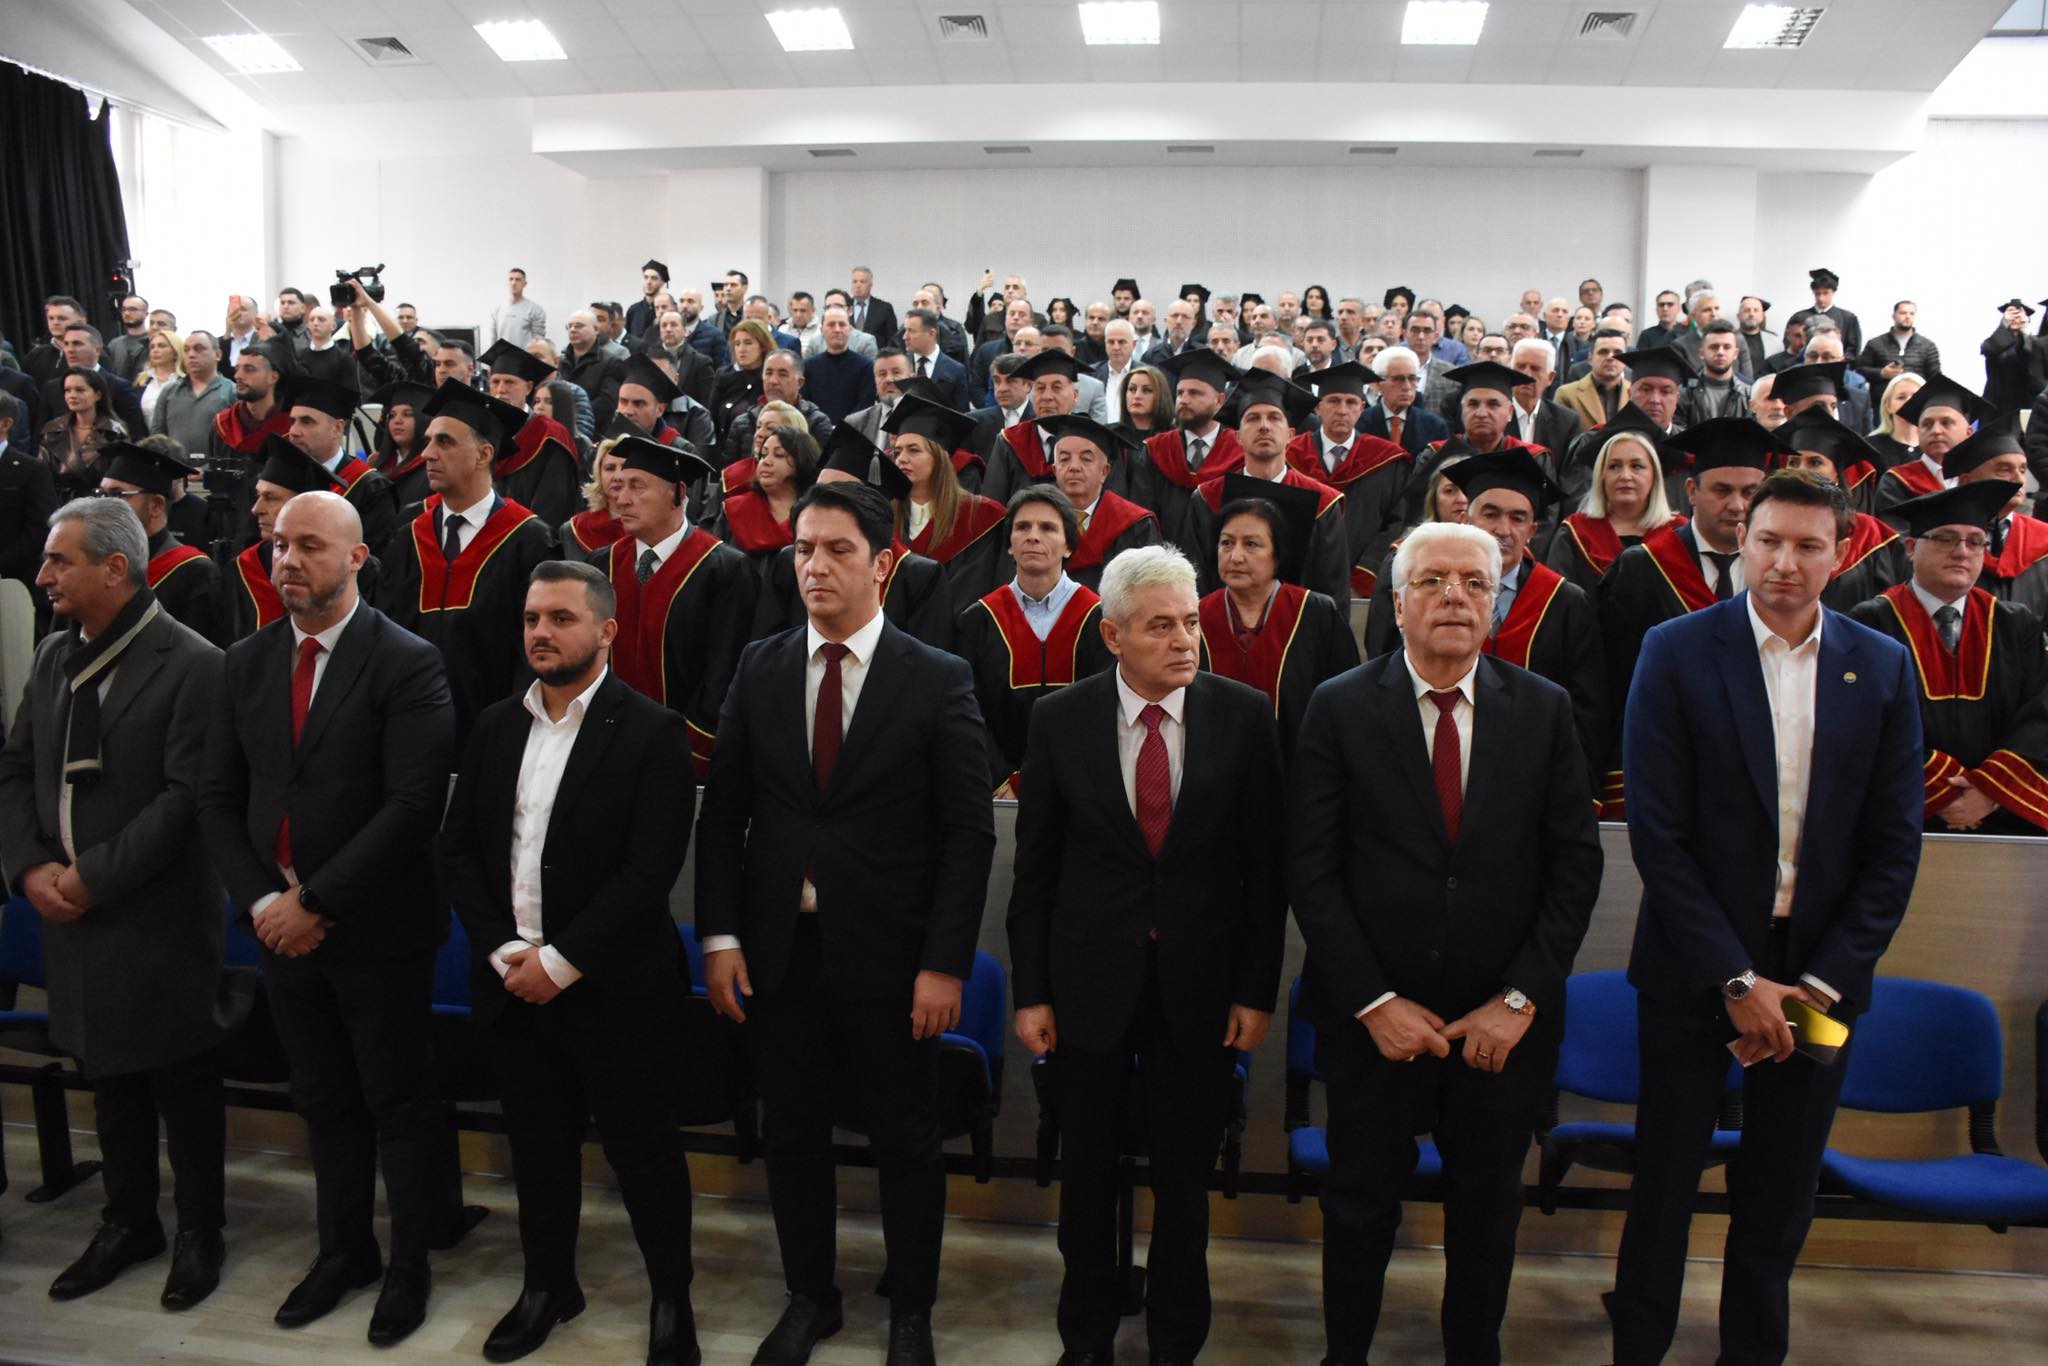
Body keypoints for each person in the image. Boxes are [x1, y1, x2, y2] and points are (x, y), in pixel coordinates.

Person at [1607, 470, 1922, 1366]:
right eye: (1769, 540)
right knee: (1665, 1184)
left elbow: (1894, 847)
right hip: (1692, 966)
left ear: (1841, 553)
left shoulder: (1880, 665)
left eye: (1808, 545)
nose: (1785, 562)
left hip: (1820, 977)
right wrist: (1737, 979)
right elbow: (1658, 835)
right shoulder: (1676, 650)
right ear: (1741, 542)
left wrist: (1817, 983)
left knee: (1781, 1190)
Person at [696, 479, 995, 1366]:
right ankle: (810, 1297)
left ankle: (912, 1312)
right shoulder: (761, 665)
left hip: (894, 958)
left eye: (837, 550)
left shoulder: (936, 676)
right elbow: (724, 815)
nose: (815, 566)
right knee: (792, 1133)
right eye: (803, 550)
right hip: (780, 952)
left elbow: (968, 834)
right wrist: (720, 937)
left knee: (906, 1140)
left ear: (883, 564)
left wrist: (944, 962)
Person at [1289, 518, 1602, 1366]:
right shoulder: (1339, 706)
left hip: (1500, 1027)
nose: (1453, 596)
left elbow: (1575, 868)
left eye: (1473, 582)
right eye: (1431, 581)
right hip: (1374, 1024)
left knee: (1487, 1212)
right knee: (1358, 1208)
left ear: (1496, 604)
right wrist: (1374, 1002)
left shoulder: (1544, 710)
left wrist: (1518, 1000)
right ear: (1396, 604)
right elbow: (1310, 870)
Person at [1007, 543, 1285, 1364]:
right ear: (1113, 635)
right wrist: (1032, 992)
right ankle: (1086, 1339)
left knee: (1185, 1187)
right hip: (1087, 985)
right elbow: (1036, 870)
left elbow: (1266, 874)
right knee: (1087, 1178)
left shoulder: (1244, 716)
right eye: (1160, 626)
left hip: (1201, 989)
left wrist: (1255, 991)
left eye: (1190, 623)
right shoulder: (1060, 720)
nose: (1183, 641)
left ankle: (1176, 1342)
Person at [197, 491, 458, 1347]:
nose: (287, 560)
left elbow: (412, 806)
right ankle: (344, 1250)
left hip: (376, 929)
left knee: (396, 1100)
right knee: (321, 1098)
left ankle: (410, 1264)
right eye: (279, 545)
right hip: (279, 929)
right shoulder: (245, 662)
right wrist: (264, 903)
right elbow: (217, 798)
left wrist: (314, 902)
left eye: (309, 545)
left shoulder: (406, 661)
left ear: (355, 559)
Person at [438, 559, 701, 1364]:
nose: (541, 634)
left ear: (607, 630)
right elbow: (459, 852)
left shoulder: (653, 731)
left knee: (644, 1156)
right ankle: (548, 1286)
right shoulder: (494, 726)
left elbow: (648, 871)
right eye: (531, 619)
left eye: (560, 618)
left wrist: (561, 960)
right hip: (514, 984)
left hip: (614, 990)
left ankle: (671, 1301)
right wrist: (506, 950)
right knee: (538, 1150)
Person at [0, 497, 229, 1310]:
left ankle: (200, 1229)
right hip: (68, 909)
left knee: (179, 1083)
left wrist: (92, 876)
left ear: (115, 568)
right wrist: (31, 868)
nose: (43, 575)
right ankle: (129, 1220)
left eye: (59, 560)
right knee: (109, 1077)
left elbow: (184, 798)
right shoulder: (54, 655)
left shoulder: (193, 662)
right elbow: (15, 767)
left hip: (156, 912)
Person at [1598, 418, 1779, 818]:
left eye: (1750, 492)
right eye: (1722, 490)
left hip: (1758, 773)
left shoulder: (1778, 574)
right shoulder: (1643, 569)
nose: (1737, 505)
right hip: (1664, 766)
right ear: (1692, 490)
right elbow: (1613, 681)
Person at [375, 380, 557, 746]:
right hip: (409, 728)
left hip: (495, 733)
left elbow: (534, 652)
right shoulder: (409, 534)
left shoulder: (528, 539)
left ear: (484, 454)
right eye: (428, 441)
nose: (427, 453)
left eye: (444, 442)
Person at [590, 435, 757, 779]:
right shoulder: (602, 564)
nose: (621, 499)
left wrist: (687, 747)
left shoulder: (724, 570)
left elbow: (722, 677)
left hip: (683, 756)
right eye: (619, 486)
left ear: (678, 494)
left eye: (637, 486)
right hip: (604, 749)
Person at [1440, 450, 1607, 792]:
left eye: (1518, 518)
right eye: (1491, 514)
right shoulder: (1431, 593)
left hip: (1536, 781)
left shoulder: (1564, 602)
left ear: (1531, 530)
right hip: (1441, 770)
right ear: (1466, 520)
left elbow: (1585, 713)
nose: (1503, 529)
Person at [956, 484, 1114, 796]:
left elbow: (1104, 710)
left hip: (1080, 787)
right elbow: (967, 710)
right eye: (1022, 527)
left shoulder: (1099, 619)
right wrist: (1000, 778)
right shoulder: (978, 620)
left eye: (1048, 528)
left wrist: (1070, 778)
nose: (1033, 536)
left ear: (1068, 545)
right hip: (999, 791)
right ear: (1009, 545)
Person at [750, 425, 956, 652]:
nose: (816, 568)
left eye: (839, 551)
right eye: (819, 491)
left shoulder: (920, 577)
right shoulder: (789, 562)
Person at [1197, 491, 1359, 755]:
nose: (1235, 556)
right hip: (1212, 769)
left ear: (1277, 554)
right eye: (1226, 543)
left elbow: (1346, 703)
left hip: (1301, 767)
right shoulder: (1197, 617)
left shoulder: (1316, 613)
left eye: (1251, 544)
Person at [1181, 371, 1353, 606]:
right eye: (1253, 418)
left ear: (1290, 435)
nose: (1264, 426)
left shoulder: (1323, 504)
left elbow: (1333, 591)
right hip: (1223, 624)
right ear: (1237, 436)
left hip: (1301, 625)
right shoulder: (1207, 498)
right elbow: (1196, 583)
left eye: (1274, 418)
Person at [1289, 361, 1411, 590]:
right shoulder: (1291, 456)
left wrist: (1367, 572)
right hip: (1298, 581)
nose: (1342, 410)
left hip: (1362, 585)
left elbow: (1397, 522)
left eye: (1351, 402)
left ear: (1362, 407)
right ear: (1318, 407)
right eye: (1334, 401)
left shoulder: (1387, 460)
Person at [886, 393, 1008, 614]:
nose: (901, 459)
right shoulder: (884, 515)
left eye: (913, 450)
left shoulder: (977, 517)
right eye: (897, 451)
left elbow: (972, 589)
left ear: (940, 457)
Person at [95, 441, 223, 645]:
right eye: (102, 494)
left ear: (156, 505)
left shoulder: (194, 572)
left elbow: (199, 653)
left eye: (118, 495)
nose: (104, 505)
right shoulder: (92, 563)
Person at [1775, 411, 1907, 606]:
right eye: (1793, 463)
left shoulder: (1869, 534)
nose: (1801, 471)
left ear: (1837, 473)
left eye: (1815, 462)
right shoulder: (1769, 526)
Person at [1545, 416, 1681, 595]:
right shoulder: (1574, 533)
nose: (1625, 476)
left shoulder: (1678, 533)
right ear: (1601, 475)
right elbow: (1560, 601)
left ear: (1655, 475)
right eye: (1614, 466)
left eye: (1637, 466)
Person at [276, 371, 400, 555]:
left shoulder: (370, 488)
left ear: (337, 428)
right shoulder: (280, 478)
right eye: (292, 421)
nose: (294, 431)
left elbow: (375, 558)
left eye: (306, 422)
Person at [1037, 413, 1159, 590]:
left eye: (1086, 459)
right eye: (1064, 459)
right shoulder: (1035, 520)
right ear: (1055, 470)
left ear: (1105, 471)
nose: (1074, 467)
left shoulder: (1135, 524)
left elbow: (1149, 588)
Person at [479, 340, 582, 530]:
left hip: (530, 534)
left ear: (528, 387)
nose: (501, 389)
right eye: (495, 382)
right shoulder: (478, 430)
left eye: (510, 382)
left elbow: (554, 502)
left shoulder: (549, 435)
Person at [711, 423, 820, 575]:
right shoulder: (736, 511)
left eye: (779, 455)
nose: (766, 462)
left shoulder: (817, 514)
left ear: (801, 461)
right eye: (763, 455)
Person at [40, 366, 129, 502]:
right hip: (57, 504)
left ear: (98, 395)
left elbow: (120, 479)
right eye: (67, 390)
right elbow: (42, 475)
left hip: (99, 504)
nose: (72, 395)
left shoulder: (114, 433)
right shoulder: (52, 430)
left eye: (80, 390)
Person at [150, 330, 236, 457]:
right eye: (186, 350)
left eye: (199, 349)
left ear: (218, 354)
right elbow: (157, 438)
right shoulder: (169, 391)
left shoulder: (232, 392)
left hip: (217, 468)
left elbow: (237, 440)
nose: (191, 355)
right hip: (175, 467)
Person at [367, 380, 434, 511]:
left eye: (407, 414)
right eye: (392, 415)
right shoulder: (380, 466)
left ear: (424, 419)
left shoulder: (432, 469)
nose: (397, 420)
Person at [490, 267, 547, 349]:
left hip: (524, 356)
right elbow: (493, 339)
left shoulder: (535, 310)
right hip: (502, 356)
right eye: (511, 279)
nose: (513, 283)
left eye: (518, 280)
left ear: (525, 284)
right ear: (507, 283)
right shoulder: (497, 309)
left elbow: (539, 342)